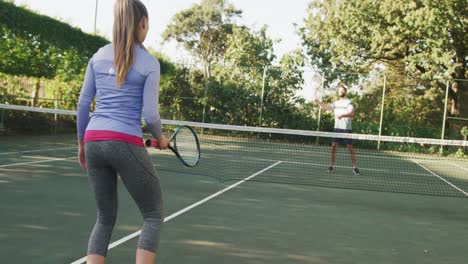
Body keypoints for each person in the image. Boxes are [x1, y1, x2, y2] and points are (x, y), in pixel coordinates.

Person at [76, 0, 169, 263]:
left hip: (94, 140)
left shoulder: (97, 56)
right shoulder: (150, 63)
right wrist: (160, 137)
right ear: (143, 23)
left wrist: (82, 143)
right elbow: (150, 115)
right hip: (124, 141)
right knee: (152, 213)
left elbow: (83, 104)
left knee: (104, 218)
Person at [314, 84, 360, 175]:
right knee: (333, 147)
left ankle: (355, 167)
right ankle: (331, 166)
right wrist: (318, 102)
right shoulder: (336, 103)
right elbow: (326, 108)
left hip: (346, 129)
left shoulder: (349, 102)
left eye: (342, 90)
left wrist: (342, 115)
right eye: (339, 91)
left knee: (350, 148)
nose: (341, 92)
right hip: (337, 129)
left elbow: (352, 113)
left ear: (345, 92)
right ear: (338, 92)